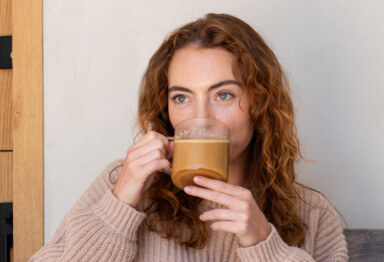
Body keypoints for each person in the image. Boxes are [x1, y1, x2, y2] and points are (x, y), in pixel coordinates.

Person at [30, 13, 348, 261]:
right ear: (165, 108)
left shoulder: (311, 213)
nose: (202, 118)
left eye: (223, 94)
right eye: (182, 98)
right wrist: (119, 204)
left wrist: (265, 245)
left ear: (260, 102)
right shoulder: (125, 184)